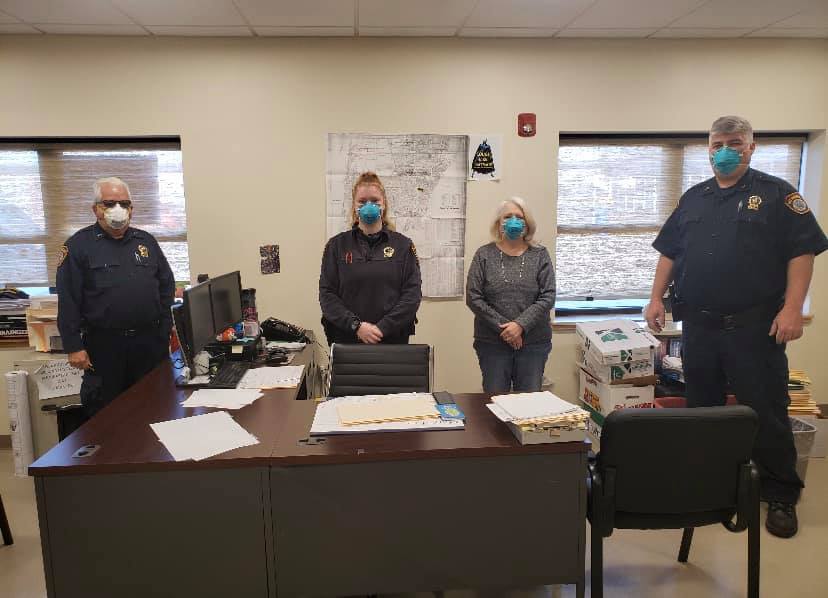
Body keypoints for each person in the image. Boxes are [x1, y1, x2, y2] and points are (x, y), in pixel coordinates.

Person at [645, 116, 828, 539]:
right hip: (700, 327)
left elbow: (802, 253)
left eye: (734, 143)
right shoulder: (695, 197)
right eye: (717, 144)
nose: (724, 151)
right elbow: (669, 252)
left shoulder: (778, 194)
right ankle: (709, 485)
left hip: (754, 327)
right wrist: (655, 298)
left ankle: (780, 494)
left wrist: (793, 309)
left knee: (765, 410)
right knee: (702, 410)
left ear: (751, 147)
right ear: (708, 148)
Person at [57, 177, 175, 420]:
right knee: (106, 415)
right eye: (109, 203)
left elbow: (166, 285)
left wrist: (164, 329)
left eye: (124, 203)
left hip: (149, 344)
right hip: (105, 346)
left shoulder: (146, 242)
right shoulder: (78, 246)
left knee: (155, 408)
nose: (118, 209)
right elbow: (68, 298)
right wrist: (73, 346)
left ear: (132, 209)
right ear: (96, 209)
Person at [319, 171, 422, 345]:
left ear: (384, 204)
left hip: (392, 340)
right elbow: (327, 295)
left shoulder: (403, 246)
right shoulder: (336, 246)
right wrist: (357, 327)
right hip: (347, 339)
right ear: (354, 206)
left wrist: (382, 329)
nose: (369, 206)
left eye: (375, 201)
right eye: (362, 201)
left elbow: (412, 295)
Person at [466, 197, 556, 393]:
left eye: (519, 217)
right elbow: (473, 297)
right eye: (508, 216)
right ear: (499, 224)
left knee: (529, 402)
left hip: (533, 343)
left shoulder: (540, 254)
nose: (514, 221)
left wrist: (520, 325)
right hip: (492, 343)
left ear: (527, 223)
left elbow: (548, 295)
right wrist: (507, 330)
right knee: (495, 400)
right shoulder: (484, 254)